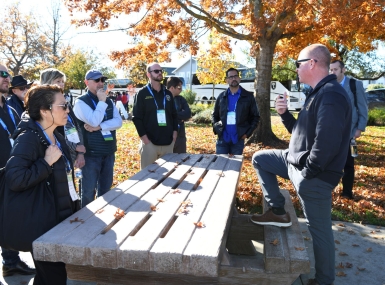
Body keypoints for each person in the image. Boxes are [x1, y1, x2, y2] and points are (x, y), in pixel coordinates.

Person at [250, 44, 352, 285]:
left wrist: (307, 175)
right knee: (260, 159)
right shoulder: (317, 92)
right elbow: (301, 133)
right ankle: (278, 211)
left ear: (312, 63)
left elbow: (327, 143)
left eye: (298, 63)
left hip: (314, 176)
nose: (295, 69)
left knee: (320, 232)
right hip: (293, 163)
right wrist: (285, 115)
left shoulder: (331, 95)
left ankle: (324, 280)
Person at [3, 84, 79, 284]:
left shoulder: (57, 136)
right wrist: (45, 163)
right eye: (62, 106)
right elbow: (15, 178)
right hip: (43, 226)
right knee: (54, 277)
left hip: (59, 221)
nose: (68, 110)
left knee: (49, 278)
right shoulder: (28, 138)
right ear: (44, 111)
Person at [0, 64, 36, 277]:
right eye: (1, 74)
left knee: (8, 218)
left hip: (11, 172)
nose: (7, 78)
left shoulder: (12, 109)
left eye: (7, 74)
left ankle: (11, 261)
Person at [73, 70, 122, 207]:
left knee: (106, 191)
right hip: (90, 154)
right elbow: (93, 121)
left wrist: (100, 127)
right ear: (87, 83)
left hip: (108, 151)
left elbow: (118, 122)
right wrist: (101, 102)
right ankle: (84, 223)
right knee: (88, 191)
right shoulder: (80, 102)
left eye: (102, 80)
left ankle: (103, 222)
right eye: (96, 80)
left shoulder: (109, 101)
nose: (101, 83)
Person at [330, 60, 368, 199]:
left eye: (335, 69)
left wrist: (359, 128)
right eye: (331, 70)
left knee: (348, 164)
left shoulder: (354, 84)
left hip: (350, 132)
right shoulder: (329, 85)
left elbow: (362, 107)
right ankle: (329, 190)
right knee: (331, 162)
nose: (332, 72)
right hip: (332, 132)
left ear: (343, 70)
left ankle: (347, 193)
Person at [132, 63, 178, 169]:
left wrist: (174, 134)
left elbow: (174, 115)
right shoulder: (142, 94)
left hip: (168, 143)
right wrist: (146, 140)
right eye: (156, 71)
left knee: (167, 177)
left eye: (161, 71)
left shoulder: (168, 93)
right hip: (150, 144)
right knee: (148, 177)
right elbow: (137, 118)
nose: (160, 73)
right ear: (148, 74)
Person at [40, 68, 86, 170]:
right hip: (55, 156)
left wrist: (80, 150)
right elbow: (51, 133)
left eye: (62, 82)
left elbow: (76, 126)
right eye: (58, 81)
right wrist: (74, 146)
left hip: (72, 155)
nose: (62, 84)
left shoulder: (66, 102)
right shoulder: (43, 106)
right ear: (47, 82)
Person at [212, 68, 260, 155]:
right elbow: (214, 115)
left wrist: (247, 133)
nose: (233, 79)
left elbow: (256, 117)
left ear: (239, 78)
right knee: (219, 165)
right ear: (227, 80)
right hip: (223, 139)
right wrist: (217, 129)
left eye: (235, 76)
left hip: (238, 139)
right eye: (230, 77)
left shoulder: (248, 96)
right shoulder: (221, 97)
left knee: (235, 167)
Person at [166, 76, 191, 153]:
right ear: (172, 88)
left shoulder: (181, 99)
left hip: (180, 137)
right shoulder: (163, 99)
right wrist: (180, 116)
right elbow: (164, 115)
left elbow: (188, 114)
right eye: (179, 87)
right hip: (167, 137)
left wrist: (172, 115)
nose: (181, 89)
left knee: (182, 161)